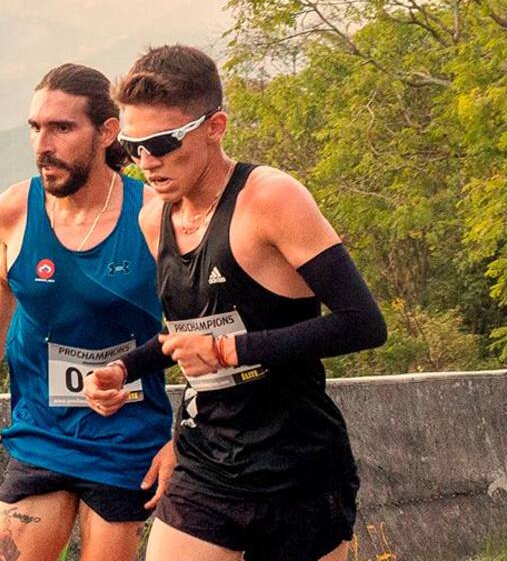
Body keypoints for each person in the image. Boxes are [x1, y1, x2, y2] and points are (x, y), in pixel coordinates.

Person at [84, 45, 387, 561]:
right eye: (133, 146)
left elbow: (363, 324)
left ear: (214, 126)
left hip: (298, 464)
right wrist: (123, 368)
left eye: (162, 142)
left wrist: (228, 351)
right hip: (207, 461)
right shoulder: (151, 216)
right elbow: (191, 336)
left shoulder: (270, 198)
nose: (147, 162)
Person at [0, 64, 175, 561]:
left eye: (62, 128)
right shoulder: (15, 209)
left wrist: (181, 438)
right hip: (42, 434)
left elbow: (195, 329)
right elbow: (5, 285)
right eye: (36, 128)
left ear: (107, 133)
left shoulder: (152, 216)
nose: (42, 145)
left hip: (127, 439)